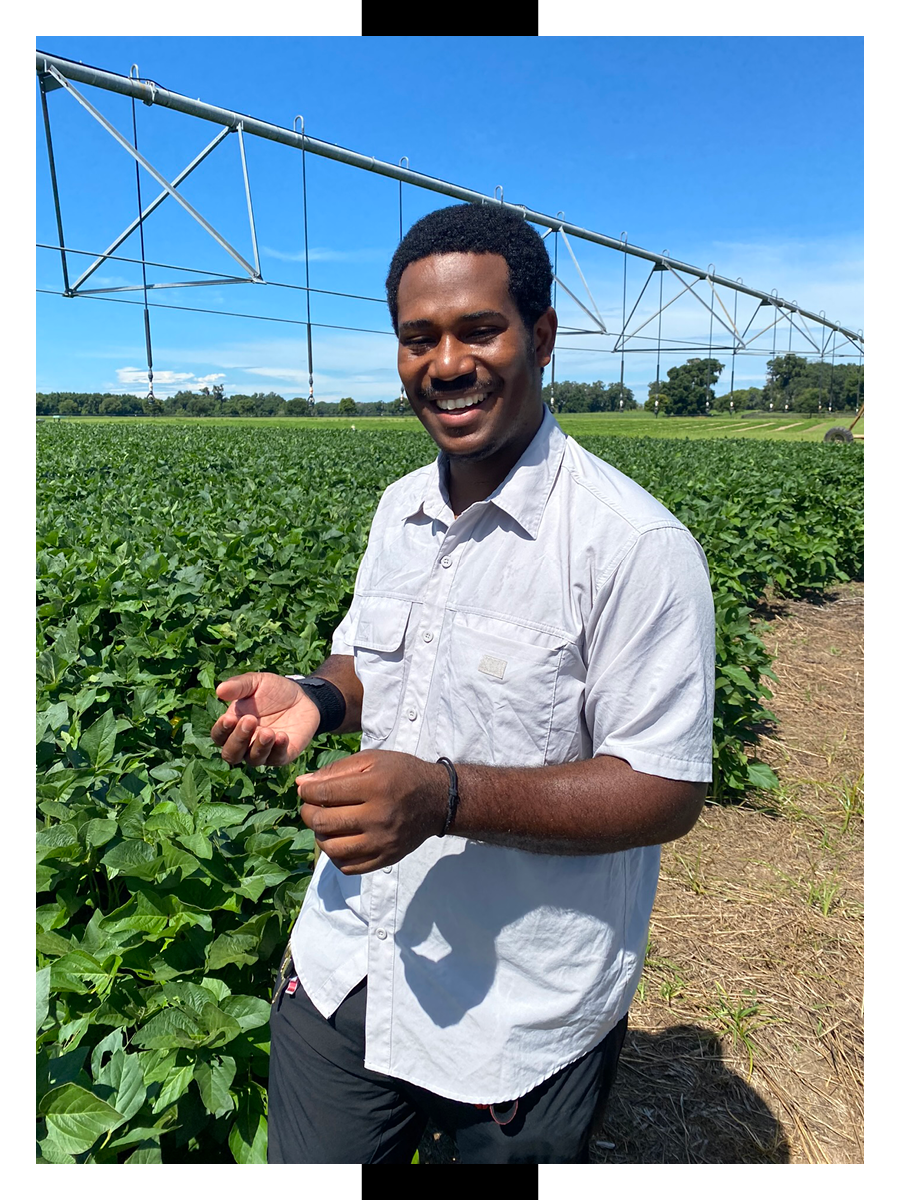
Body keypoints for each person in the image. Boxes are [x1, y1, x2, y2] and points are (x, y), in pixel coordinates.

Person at [211, 203, 715, 1165]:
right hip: (348, 965)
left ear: (543, 338)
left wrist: (444, 798)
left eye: (479, 329)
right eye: (418, 338)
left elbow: (665, 789)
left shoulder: (633, 546)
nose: (446, 363)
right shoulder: (399, 507)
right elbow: (368, 656)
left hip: (518, 1013)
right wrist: (314, 699)